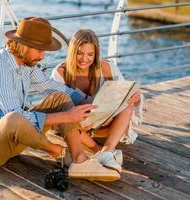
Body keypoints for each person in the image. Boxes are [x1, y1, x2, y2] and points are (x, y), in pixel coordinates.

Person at [0, 17, 120, 181]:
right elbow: (14, 117)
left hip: (15, 140)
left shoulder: (25, 64)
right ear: (24, 46)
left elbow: (48, 85)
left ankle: (79, 160)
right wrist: (66, 117)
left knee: (60, 98)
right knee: (14, 117)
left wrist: (88, 102)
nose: (43, 56)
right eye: (39, 50)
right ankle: (53, 149)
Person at [51, 28, 141, 173]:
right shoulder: (60, 73)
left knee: (128, 104)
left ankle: (107, 151)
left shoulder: (106, 68)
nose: (84, 59)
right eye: (79, 53)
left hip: (105, 124)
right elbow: (58, 107)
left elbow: (128, 95)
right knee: (67, 117)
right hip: (79, 126)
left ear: (96, 54)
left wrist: (135, 98)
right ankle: (96, 149)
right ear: (72, 52)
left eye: (90, 54)